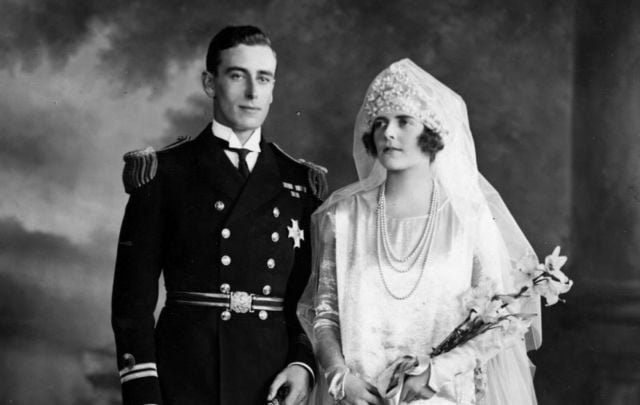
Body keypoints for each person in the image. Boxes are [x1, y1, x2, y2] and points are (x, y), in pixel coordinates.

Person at [298, 59, 541, 404]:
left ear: (431, 131)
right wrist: (341, 378)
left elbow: (502, 320)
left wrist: (436, 372)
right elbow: (325, 314)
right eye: (379, 122)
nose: (388, 133)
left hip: (442, 396)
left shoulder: (468, 218)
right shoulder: (343, 217)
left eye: (403, 121)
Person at [112, 25, 327, 405]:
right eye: (237, 75)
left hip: (272, 381)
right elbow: (133, 304)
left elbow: (306, 299)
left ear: (274, 88)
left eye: (263, 78)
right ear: (209, 83)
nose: (252, 92)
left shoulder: (300, 182)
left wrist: (302, 365)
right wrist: (143, 390)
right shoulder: (165, 172)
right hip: (186, 377)